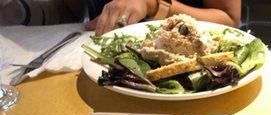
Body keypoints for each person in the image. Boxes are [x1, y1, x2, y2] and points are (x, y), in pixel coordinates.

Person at [0, 0, 240, 31]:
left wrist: (153, 6)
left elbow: (229, 18)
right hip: (101, 71)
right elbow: (69, 10)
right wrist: (21, 11)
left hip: (193, 81)